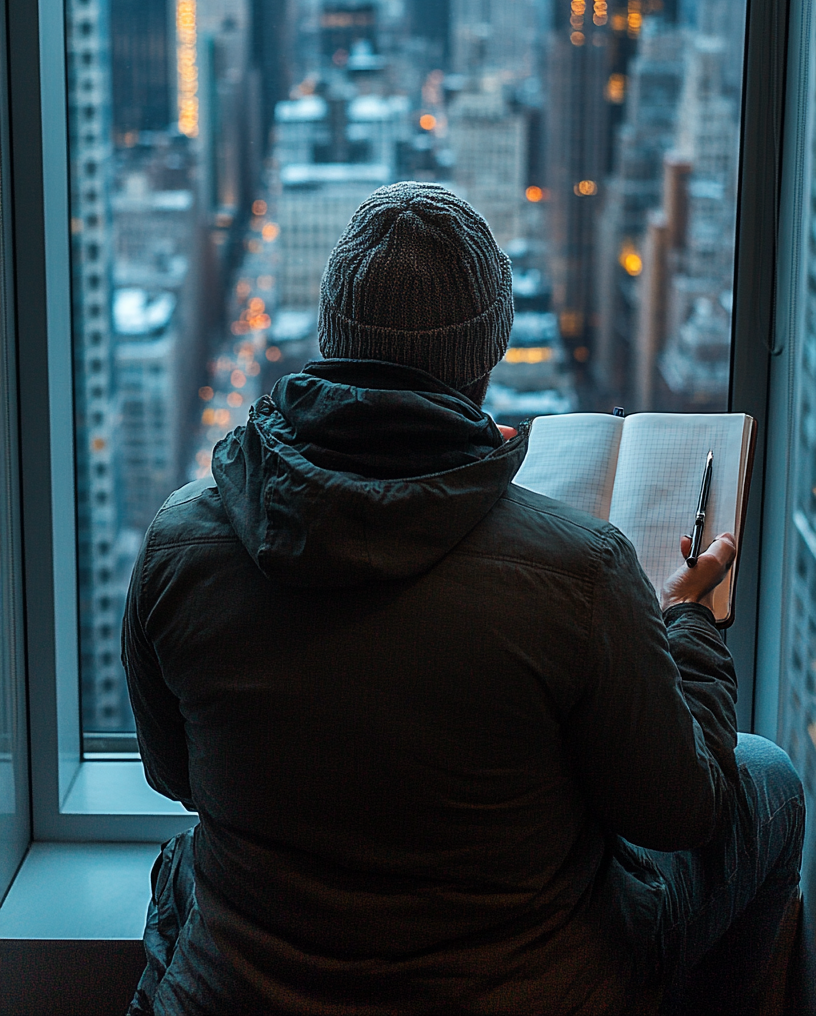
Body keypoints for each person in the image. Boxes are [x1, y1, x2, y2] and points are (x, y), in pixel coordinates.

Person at [123, 182, 805, 1015]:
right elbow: (684, 809)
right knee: (766, 773)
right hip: (529, 990)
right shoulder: (582, 569)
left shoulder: (181, 539)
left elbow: (175, 774)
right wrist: (690, 626)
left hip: (237, 991)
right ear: (486, 361)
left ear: (329, 338)